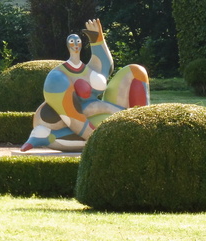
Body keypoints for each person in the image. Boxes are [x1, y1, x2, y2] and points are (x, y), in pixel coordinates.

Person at [20, 18, 149, 152]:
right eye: (72, 42)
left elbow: (106, 67)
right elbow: (73, 117)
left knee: (136, 71)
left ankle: (144, 124)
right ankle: (134, 135)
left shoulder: (88, 71)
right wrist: (98, 138)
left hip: (100, 115)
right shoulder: (57, 76)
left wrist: (98, 40)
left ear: (81, 45)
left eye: (78, 42)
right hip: (64, 127)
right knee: (45, 132)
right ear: (67, 45)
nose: (75, 45)